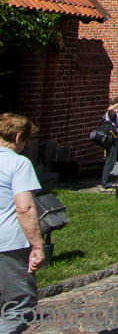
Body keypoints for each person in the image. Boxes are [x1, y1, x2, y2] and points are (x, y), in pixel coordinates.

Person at [0, 113, 43, 334]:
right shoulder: (18, 163)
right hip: (8, 245)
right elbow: (24, 208)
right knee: (17, 306)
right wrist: (37, 245)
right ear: (18, 138)